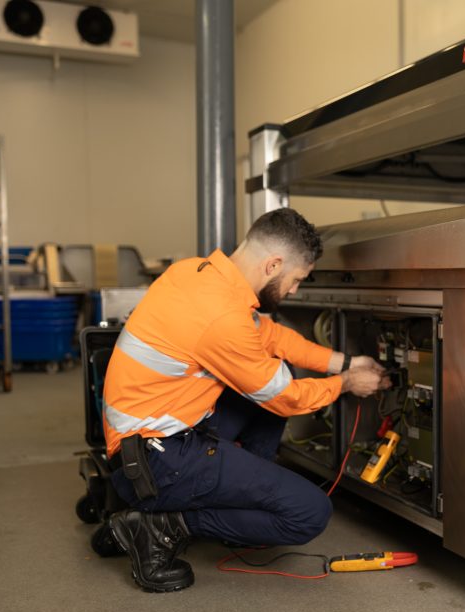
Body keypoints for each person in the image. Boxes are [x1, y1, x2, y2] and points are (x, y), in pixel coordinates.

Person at [102, 208, 387, 592]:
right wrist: (346, 384)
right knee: (308, 513)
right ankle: (159, 526)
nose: (295, 291)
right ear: (273, 265)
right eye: (297, 279)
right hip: (156, 460)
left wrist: (346, 362)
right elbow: (285, 397)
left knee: (262, 399)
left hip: (150, 437)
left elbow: (273, 338)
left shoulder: (195, 273)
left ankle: (231, 505)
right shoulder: (221, 316)